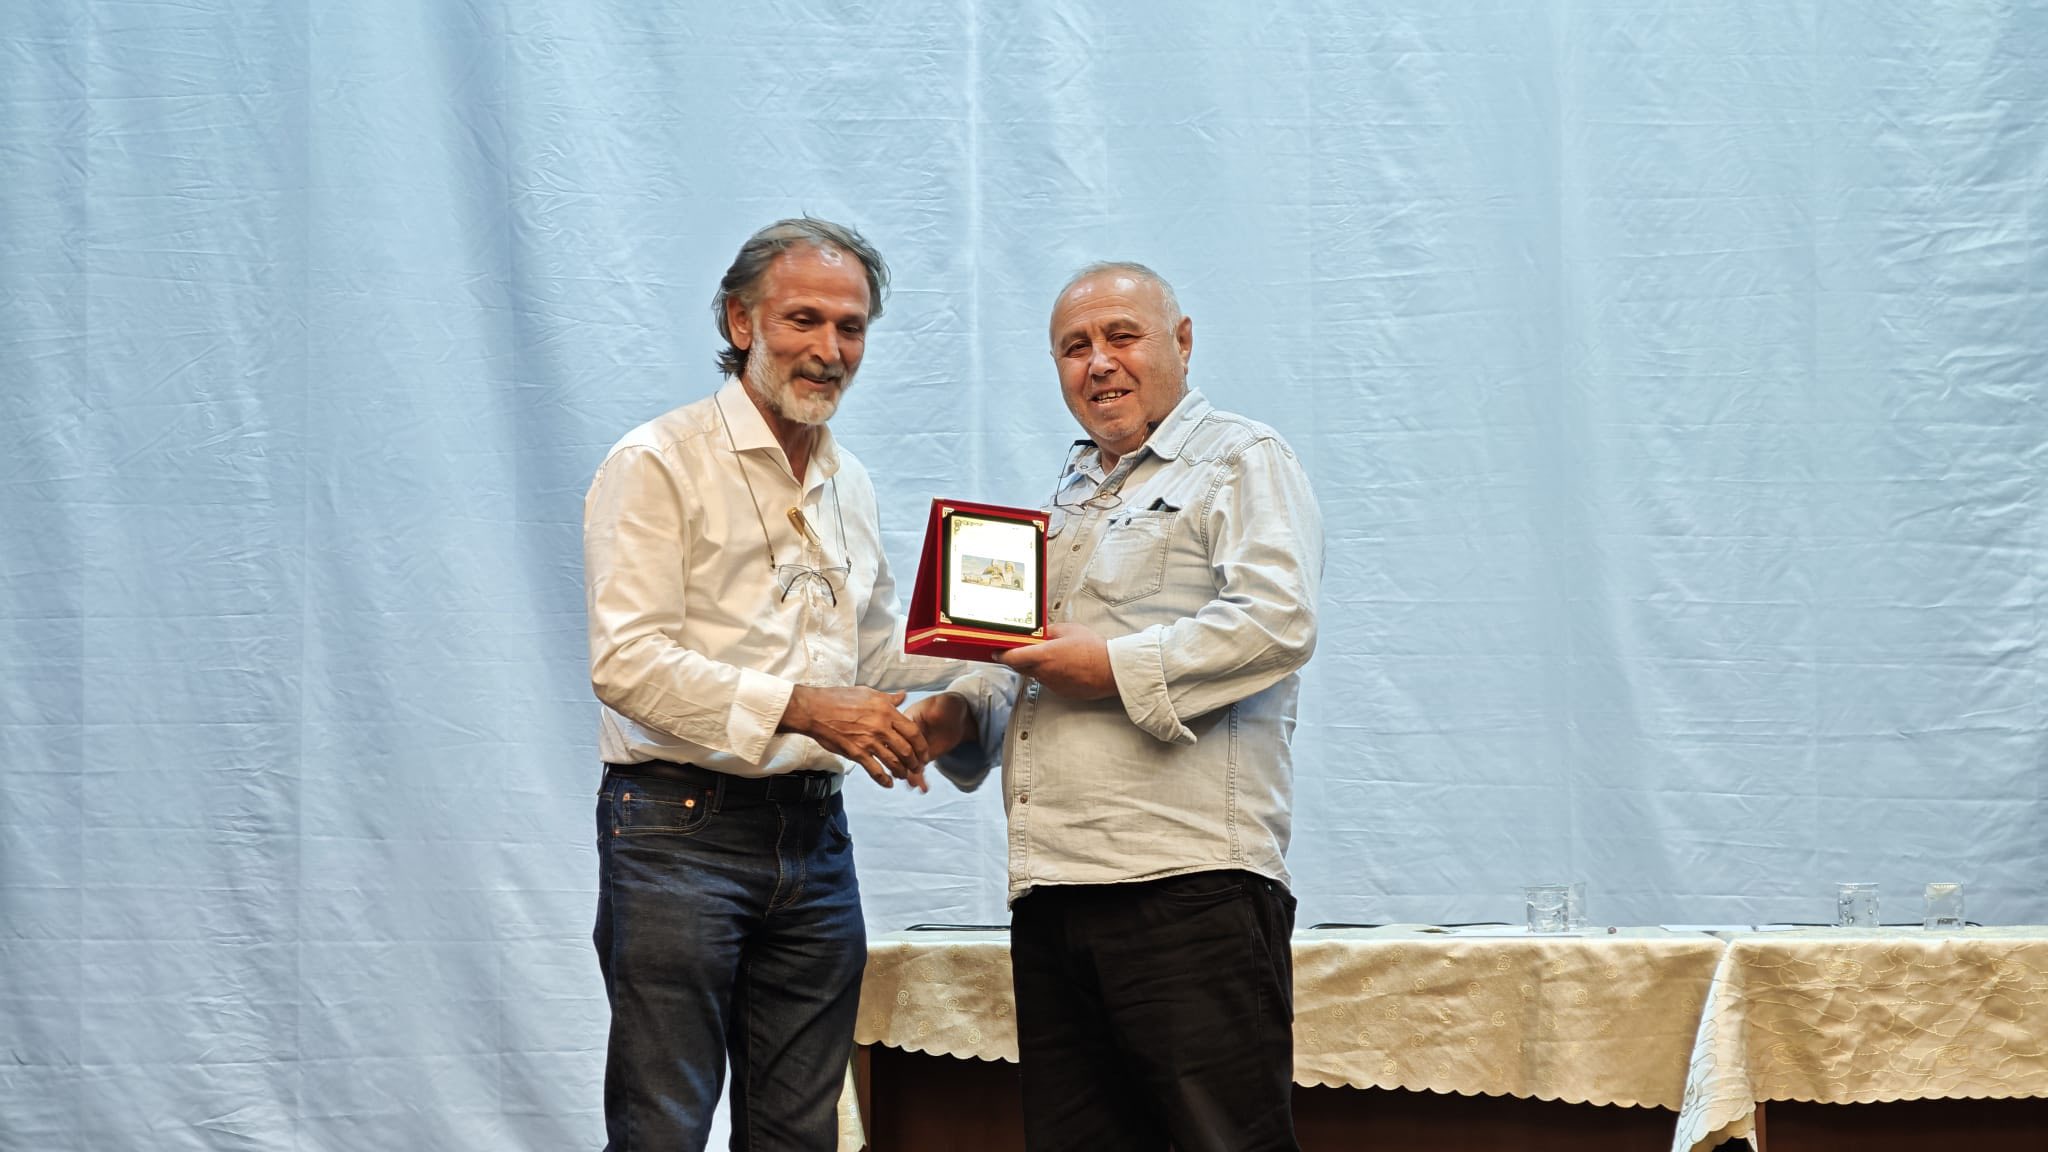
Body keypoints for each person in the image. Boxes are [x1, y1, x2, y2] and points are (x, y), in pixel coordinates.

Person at [909, 262, 1324, 1152]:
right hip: (1054, 890)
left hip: (1189, 885)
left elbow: (1277, 621)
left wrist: (1112, 668)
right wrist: (953, 717)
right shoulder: (1064, 501)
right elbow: (1027, 664)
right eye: (1074, 347)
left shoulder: (1241, 459)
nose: (1098, 362)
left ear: (1182, 341)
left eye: (1121, 336)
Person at [584, 217, 961, 1150]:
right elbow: (626, 662)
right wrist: (806, 709)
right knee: (662, 1130)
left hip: (815, 837)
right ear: (740, 321)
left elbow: (869, 653)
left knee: (801, 1134)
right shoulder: (656, 461)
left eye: (851, 326)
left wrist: (1004, 630)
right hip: (676, 831)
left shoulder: (848, 480)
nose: (830, 349)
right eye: (804, 319)